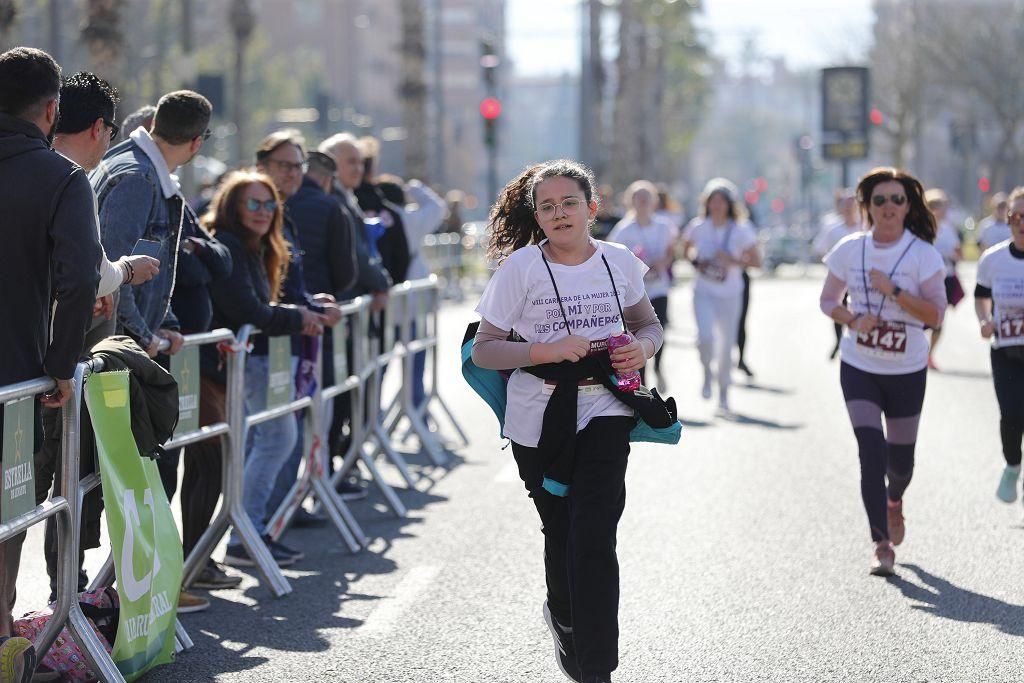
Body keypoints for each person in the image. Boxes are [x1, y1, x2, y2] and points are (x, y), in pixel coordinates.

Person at [472, 159, 664, 683]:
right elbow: (485, 351)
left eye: (569, 203)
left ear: (592, 209)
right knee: (560, 534)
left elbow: (649, 324)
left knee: (594, 533)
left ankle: (598, 669)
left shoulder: (620, 261)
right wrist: (544, 350)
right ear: (537, 216)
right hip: (538, 420)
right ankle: (564, 622)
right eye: (548, 206)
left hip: (605, 408)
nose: (559, 214)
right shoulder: (521, 270)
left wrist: (642, 347)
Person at [0, 45, 101, 675]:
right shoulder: (61, 177)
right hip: (14, 376)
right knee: (8, 513)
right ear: (51, 108)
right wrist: (62, 367)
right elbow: (80, 276)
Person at [45, 70, 162, 606]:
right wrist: (125, 271)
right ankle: (57, 610)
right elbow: (86, 273)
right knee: (54, 493)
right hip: (49, 369)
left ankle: (43, 613)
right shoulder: (67, 179)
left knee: (32, 501)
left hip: (33, 361)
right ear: (99, 128)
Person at [818, 167, 946, 576]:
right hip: (860, 365)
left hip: (907, 368)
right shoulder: (849, 249)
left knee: (901, 463)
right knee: (871, 452)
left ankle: (895, 499)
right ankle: (881, 543)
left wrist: (893, 291)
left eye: (897, 200)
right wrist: (852, 320)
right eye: (879, 200)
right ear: (866, 206)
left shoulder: (923, 254)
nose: (888, 207)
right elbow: (827, 301)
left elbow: (935, 313)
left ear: (909, 206)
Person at [203, 170, 326, 567]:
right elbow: (248, 310)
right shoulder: (228, 244)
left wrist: (309, 310)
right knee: (274, 441)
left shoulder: (256, 245)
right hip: (242, 360)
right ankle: (246, 536)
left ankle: (249, 531)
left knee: (265, 442)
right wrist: (300, 316)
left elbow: (265, 306)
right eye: (252, 203)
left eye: (269, 203)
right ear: (233, 207)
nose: (262, 211)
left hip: (254, 359)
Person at [92, 89, 213, 359]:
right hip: (113, 348)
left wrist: (162, 325)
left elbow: (146, 267)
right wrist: (144, 336)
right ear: (196, 143)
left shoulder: (137, 167)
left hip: (121, 342)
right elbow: (114, 271)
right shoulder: (138, 179)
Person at [680, 178, 761, 414]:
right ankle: (707, 372)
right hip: (703, 291)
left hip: (730, 294)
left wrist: (732, 260)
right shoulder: (698, 226)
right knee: (705, 338)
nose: (716, 205)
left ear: (729, 204)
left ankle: (724, 393)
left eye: (721, 201)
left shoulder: (741, 229)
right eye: (712, 201)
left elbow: (756, 262)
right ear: (706, 203)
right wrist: (698, 262)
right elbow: (685, 250)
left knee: (726, 346)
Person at [377, 173, 448, 408]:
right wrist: (414, 186)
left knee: (378, 370)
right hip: (412, 306)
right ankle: (418, 415)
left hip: (384, 308)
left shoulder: (374, 220)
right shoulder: (410, 219)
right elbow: (438, 207)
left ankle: (371, 421)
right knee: (415, 369)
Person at [976, 186, 1024, 504]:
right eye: (1016, 216)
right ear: (1007, 219)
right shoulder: (993, 259)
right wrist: (984, 320)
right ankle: (1012, 465)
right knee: (1011, 414)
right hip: (1006, 351)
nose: (1021, 222)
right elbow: (981, 297)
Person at [607, 179, 678, 387]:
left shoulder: (664, 226)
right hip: (635, 294)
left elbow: (673, 250)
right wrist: (636, 268)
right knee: (638, 335)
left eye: (647, 198)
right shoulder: (623, 230)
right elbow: (612, 258)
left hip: (659, 288)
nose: (643, 202)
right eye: (638, 198)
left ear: (654, 201)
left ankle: (658, 367)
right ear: (631, 202)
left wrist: (662, 262)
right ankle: (644, 381)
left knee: (660, 327)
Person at [813, 188, 866, 360]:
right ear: (840, 208)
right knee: (837, 307)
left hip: (862, 279)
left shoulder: (865, 227)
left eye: (853, 204)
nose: (849, 208)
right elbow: (819, 250)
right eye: (846, 204)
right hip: (842, 279)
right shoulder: (833, 229)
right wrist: (835, 267)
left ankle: (859, 340)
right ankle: (839, 341)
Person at [925, 188, 962, 369]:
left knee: (939, 318)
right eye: (937, 205)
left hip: (945, 277)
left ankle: (929, 354)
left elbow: (958, 253)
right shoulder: (921, 228)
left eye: (943, 206)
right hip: (923, 279)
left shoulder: (948, 228)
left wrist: (953, 255)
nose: (942, 210)